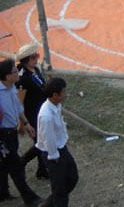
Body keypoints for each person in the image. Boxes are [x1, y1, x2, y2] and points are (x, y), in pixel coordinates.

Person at [0, 59, 41, 206]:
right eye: (14, 71)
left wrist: (25, 123)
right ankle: (30, 199)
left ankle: (2, 193)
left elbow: (17, 107)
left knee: (4, 166)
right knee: (16, 167)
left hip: (11, 133)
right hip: (3, 135)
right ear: (6, 76)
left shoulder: (11, 87)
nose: (18, 72)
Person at [37, 78, 78, 207]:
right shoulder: (46, 116)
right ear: (55, 95)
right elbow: (48, 138)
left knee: (72, 178)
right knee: (60, 189)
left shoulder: (56, 105)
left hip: (62, 148)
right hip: (54, 154)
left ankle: (48, 203)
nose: (66, 94)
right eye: (64, 91)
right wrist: (54, 157)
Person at [15, 44, 47, 181]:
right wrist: (22, 123)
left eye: (37, 56)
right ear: (26, 59)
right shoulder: (23, 77)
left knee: (41, 141)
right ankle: (22, 162)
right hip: (32, 114)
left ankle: (42, 169)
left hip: (41, 111)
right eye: (34, 57)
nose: (37, 59)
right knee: (41, 143)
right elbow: (19, 101)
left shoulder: (35, 70)